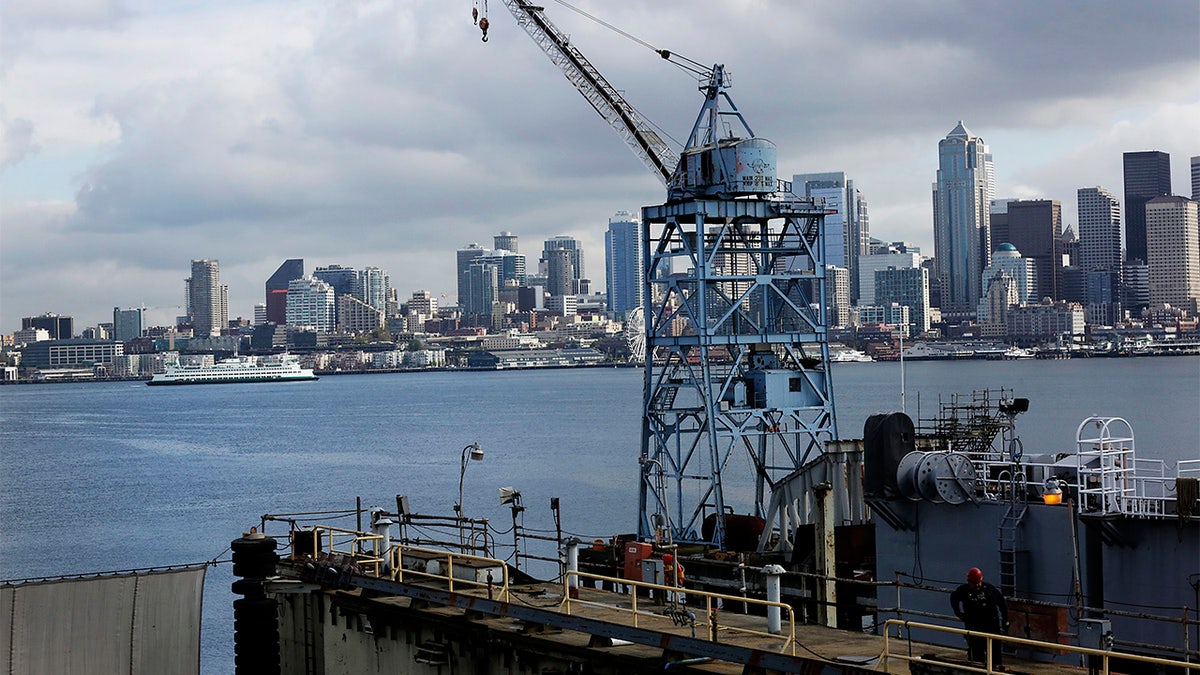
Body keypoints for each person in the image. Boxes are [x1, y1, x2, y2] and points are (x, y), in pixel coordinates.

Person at [950, 567, 1009, 668]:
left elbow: (1002, 603)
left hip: (991, 629)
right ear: (969, 582)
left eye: (978, 583)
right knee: (977, 660)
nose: (977, 586)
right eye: (974, 583)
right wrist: (958, 613)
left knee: (995, 659)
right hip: (974, 630)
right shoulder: (964, 591)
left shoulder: (989, 590)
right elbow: (953, 598)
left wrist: (1005, 621)